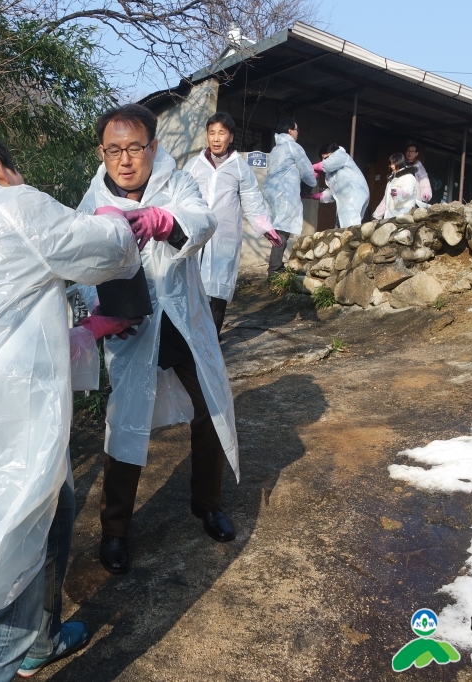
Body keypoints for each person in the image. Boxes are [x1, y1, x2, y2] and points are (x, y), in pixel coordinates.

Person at [0, 129, 143, 681]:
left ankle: (42, 640)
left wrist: (86, 334)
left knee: (59, 510)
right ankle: (22, 639)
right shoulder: (11, 205)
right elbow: (109, 251)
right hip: (3, 439)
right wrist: (126, 218)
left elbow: (12, 330)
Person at [76, 103, 240, 575]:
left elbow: (202, 221)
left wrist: (163, 223)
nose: (125, 159)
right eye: (114, 150)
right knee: (124, 424)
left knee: (210, 409)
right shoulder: (91, 204)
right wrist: (100, 313)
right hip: (133, 327)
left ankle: (208, 505)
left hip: (183, 320)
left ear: (152, 146)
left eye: (134, 148)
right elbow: (83, 269)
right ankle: (115, 531)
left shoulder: (176, 183)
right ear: (102, 152)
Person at [185, 111, 278, 334]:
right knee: (190, 289)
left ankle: (213, 342)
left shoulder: (239, 167)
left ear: (231, 137)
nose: (216, 138)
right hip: (195, 236)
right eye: (212, 133)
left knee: (218, 291)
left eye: (222, 133)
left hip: (224, 236)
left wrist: (265, 227)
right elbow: (179, 196)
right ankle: (191, 342)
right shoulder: (193, 165)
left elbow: (252, 198)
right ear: (207, 136)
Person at [263, 118, 318, 273]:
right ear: (289, 131)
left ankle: (276, 265)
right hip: (285, 193)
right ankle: (274, 268)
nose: (297, 133)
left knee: (278, 228)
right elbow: (307, 172)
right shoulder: (293, 147)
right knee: (282, 231)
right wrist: (312, 184)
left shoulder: (276, 149)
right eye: (296, 129)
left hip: (272, 192)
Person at [309, 143, 371, 228]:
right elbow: (333, 192)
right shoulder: (332, 173)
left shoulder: (340, 155)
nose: (325, 161)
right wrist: (313, 196)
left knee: (349, 227)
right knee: (341, 226)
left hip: (353, 195)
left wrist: (310, 167)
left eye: (327, 158)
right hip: (348, 198)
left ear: (333, 153)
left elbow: (328, 164)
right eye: (323, 159)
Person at [373, 153, 421, 219]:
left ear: (400, 162)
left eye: (394, 163)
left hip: (404, 214)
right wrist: (377, 215)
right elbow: (386, 199)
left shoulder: (408, 177)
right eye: (390, 164)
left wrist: (395, 192)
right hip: (390, 215)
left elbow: (407, 192)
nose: (391, 166)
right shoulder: (392, 180)